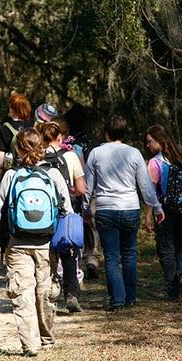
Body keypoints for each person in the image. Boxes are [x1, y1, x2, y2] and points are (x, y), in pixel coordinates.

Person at [0, 127, 73, 356]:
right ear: (42, 147)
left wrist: (2, 234)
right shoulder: (54, 174)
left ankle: (30, 344)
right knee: (45, 291)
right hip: (47, 244)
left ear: (18, 149)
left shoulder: (11, 175)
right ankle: (47, 339)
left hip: (18, 243)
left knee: (23, 292)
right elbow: (66, 209)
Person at [83, 115, 165, 311]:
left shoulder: (96, 153)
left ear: (106, 132)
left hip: (106, 209)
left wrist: (85, 208)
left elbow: (88, 187)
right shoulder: (134, 153)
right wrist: (157, 207)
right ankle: (131, 297)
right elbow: (145, 186)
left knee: (111, 257)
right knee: (129, 254)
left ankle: (117, 299)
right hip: (129, 208)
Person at [38, 121, 85, 313]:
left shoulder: (37, 157)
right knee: (68, 254)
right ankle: (72, 294)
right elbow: (81, 189)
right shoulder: (71, 156)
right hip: (66, 213)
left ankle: (49, 296)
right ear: (60, 138)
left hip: (41, 215)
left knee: (47, 257)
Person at [145, 124, 182, 300]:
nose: (148, 146)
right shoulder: (179, 158)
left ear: (159, 141)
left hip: (164, 209)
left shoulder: (154, 162)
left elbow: (151, 191)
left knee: (166, 248)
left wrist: (148, 215)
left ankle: (173, 290)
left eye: (150, 141)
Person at [62, 103, 100, 279]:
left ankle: (74, 256)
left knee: (73, 221)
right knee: (91, 224)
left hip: (72, 187)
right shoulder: (92, 141)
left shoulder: (67, 142)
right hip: (93, 187)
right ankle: (91, 257)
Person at [0, 93, 34, 182]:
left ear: (12, 108)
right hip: (33, 174)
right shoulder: (33, 127)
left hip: (12, 176)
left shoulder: (3, 129)